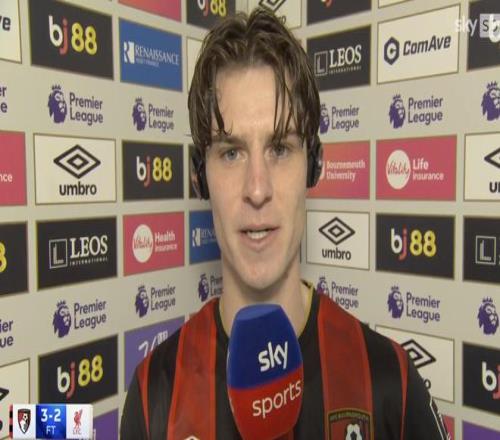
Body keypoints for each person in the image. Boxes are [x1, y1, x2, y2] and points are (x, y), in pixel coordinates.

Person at [121, 8, 450, 440]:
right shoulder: (154, 393)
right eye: (231, 152)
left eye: (279, 148)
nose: (257, 189)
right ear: (200, 175)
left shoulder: (391, 382)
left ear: (313, 165)